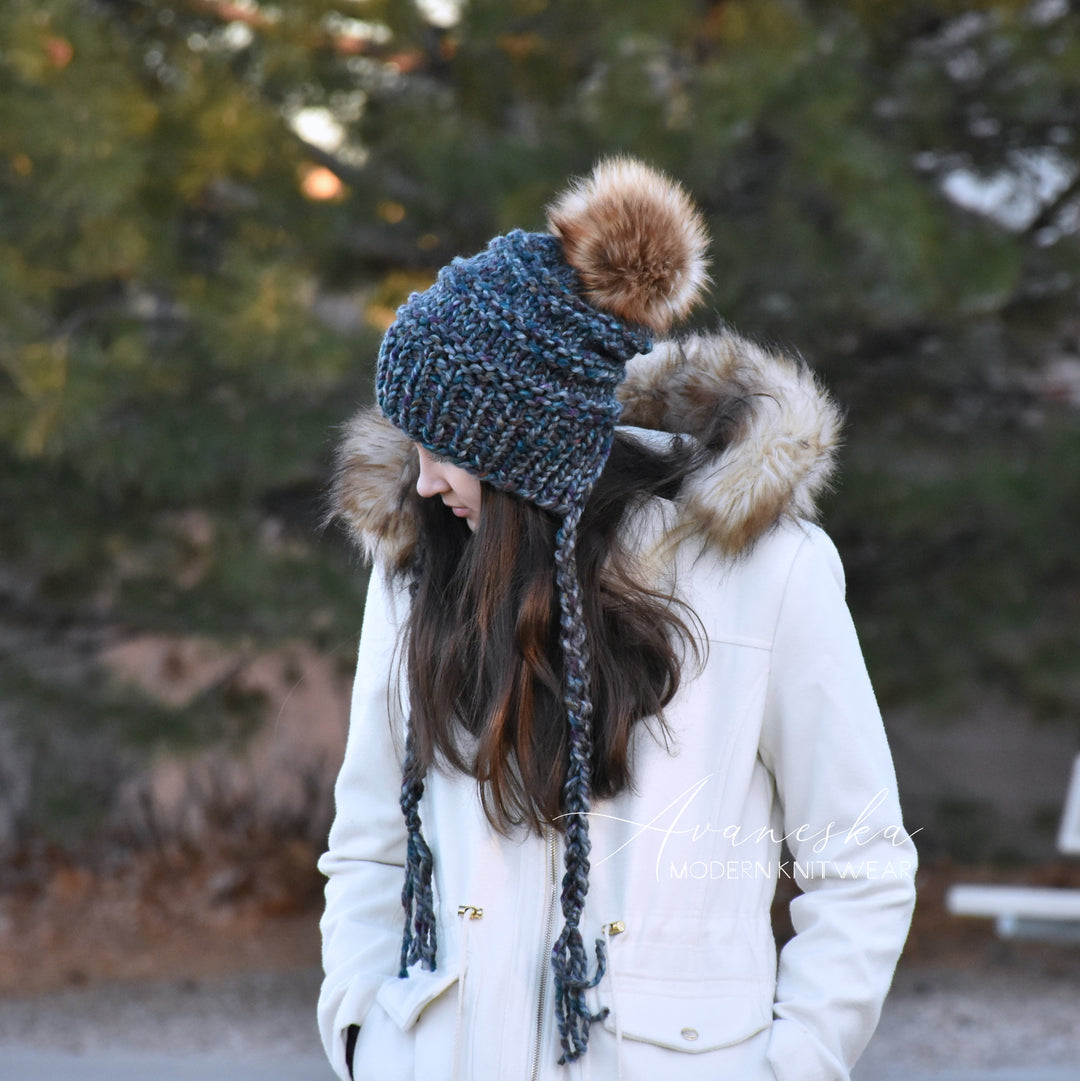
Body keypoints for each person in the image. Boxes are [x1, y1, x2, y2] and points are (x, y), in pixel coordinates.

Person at [318, 157, 917, 1081]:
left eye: (445, 445)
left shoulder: (764, 571)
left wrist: (789, 1066)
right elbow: (369, 842)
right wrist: (364, 1033)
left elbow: (861, 862)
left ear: (523, 440)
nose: (424, 477)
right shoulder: (418, 569)